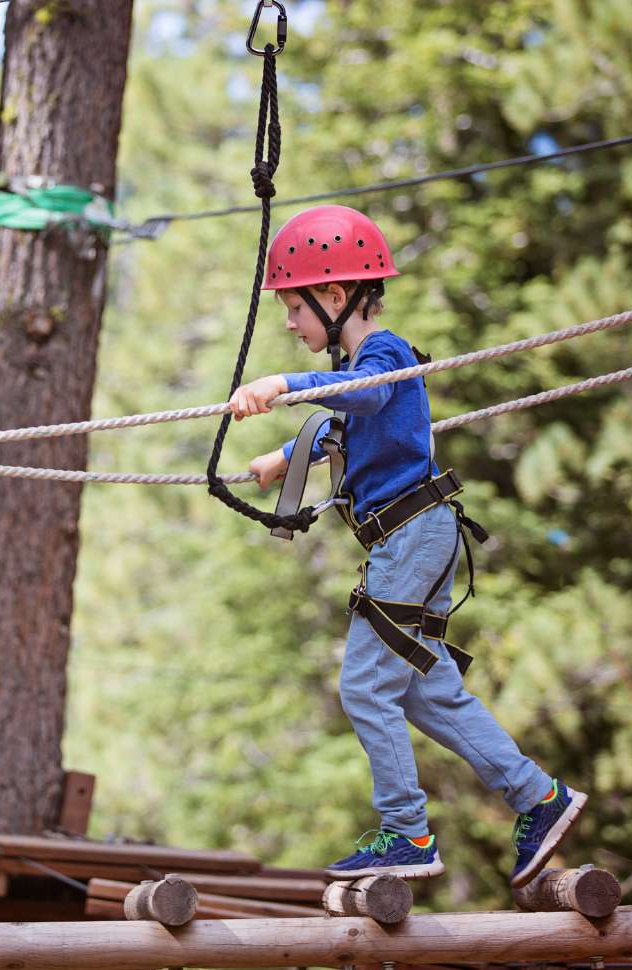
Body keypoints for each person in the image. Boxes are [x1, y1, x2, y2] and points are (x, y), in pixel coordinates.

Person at [227, 204, 584, 886]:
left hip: (412, 536)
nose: (290, 323)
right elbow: (349, 428)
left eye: (295, 308)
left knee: (364, 687)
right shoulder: (360, 368)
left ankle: (406, 832)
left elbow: (359, 400)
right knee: (425, 693)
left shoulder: (383, 355)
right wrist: (282, 456)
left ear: (336, 297)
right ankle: (539, 796)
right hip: (417, 538)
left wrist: (282, 387)